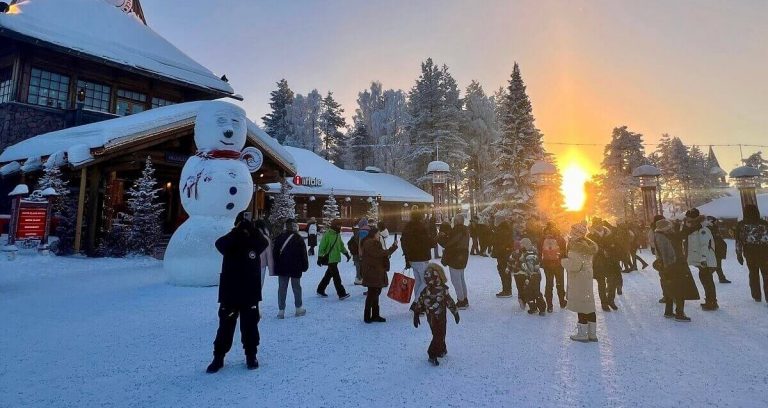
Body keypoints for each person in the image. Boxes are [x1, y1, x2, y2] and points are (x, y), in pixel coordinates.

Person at [206, 216, 268, 373]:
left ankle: (251, 355)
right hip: (231, 293)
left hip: (250, 293)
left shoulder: (254, 241)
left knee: (250, 327)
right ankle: (218, 357)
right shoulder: (230, 241)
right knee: (225, 327)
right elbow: (219, 244)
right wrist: (237, 231)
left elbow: (264, 243)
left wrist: (252, 229)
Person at [411, 263, 460, 366]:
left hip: (438, 316)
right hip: (434, 316)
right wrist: (416, 313)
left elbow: (449, 301)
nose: (428, 280)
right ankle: (432, 354)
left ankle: (442, 349)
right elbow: (420, 301)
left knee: (439, 333)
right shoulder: (428, 290)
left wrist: (455, 312)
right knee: (438, 334)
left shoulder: (440, 289)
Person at [654, 218, 699, 322]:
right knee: (679, 289)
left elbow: (678, 236)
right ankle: (679, 313)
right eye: (669, 227)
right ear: (665, 228)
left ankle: (668, 311)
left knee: (670, 288)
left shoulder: (661, 235)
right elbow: (669, 254)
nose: (671, 228)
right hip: (674, 267)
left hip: (668, 267)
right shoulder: (664, 237)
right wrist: (673, 265)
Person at [561, 223, 599, 342]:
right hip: (586, 277)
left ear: (577, 232)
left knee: (581, 306)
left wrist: (563, 261)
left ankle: (582, 334)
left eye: (573, 231)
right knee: (588, 305)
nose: (571, 232)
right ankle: (592, 334)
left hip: (578, 279)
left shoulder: (576, 246)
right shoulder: (587, 243)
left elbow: (575, 265)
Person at [683, 210, 719, 310]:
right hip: (702, 261)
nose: (687, 220)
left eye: (688, 218)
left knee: (707, 281)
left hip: (705, 260)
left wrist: (703, 259)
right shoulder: (694, 228)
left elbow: (705, 245)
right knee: (705, 280)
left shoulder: (702, 229)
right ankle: (709, 300)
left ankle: (712, 302)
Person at [361, 227, 399, 323]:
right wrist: (393, 248)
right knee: (372, 294)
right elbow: (380, 253)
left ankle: (375, 315)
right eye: (378, 234)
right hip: (373, 272)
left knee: (375, 293)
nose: (379, 235)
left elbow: (380, 254)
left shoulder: (370, 242)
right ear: (374, 234)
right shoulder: (371, 243)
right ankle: (367, 316)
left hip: (374, 270)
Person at [273, 219, 309, 319]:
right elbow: (303, 254)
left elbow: (275, 254)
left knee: (282, 288)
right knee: (296, 288)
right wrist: (305, 266)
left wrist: (277, 265)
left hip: (282, 267)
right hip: (295, 267)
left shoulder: (279, 238)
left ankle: (281, 310)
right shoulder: (298, 238)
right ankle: (298, 308)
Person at [735, 204, 768, 303]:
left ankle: (756, 296)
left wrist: (739, 255)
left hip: (750, 253)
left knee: (753, 274)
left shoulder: (741, 225)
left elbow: (738, 241)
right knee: (766, 275)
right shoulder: (765, 223)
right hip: (765, 253)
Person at [402, 206, 436, 300]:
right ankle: (417, 303)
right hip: (422, 257)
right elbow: (427, 241)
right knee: (424, 281)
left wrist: (407, 257)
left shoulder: (407, 227)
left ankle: (417, 303)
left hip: (412, 258)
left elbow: (404, 242)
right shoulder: (422, 227)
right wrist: (434, 241)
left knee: (418, 281)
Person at [588, 219, 621, 311]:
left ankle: (611, 300)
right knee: (601, 283)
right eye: (596, 224)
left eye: (600, 223)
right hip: (598, 263)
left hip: (611, 261)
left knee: (612, 282)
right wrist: (601, 251)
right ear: (593, 226)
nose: (599, 226)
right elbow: (590, 250)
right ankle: (604, 303)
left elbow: (616, 245)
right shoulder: (590, 236)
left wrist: (612, 249)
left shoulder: (609, 234)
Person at [316, 219, 351, 300]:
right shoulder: (328, 234)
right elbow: (322, 246)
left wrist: (346, 254)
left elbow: (341, 245)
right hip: (330, 259)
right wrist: (320, 257)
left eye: (340, 225)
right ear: (334, 225)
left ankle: (320, 289)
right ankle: (341, 293)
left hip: (335, 258)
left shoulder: (337, 234)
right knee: (336, 277)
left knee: (328, 275)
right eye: (338, 225)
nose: (340, 227)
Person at [442, 214, 470, 309]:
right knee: (461, 279)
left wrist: (442, 238)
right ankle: (465, 299)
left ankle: (461, 301)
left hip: (455, 257)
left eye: (454, 220)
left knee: (456, 280)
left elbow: (450, 243)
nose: (453, 222)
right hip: (463, 256)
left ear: (458, 221)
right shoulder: (466, 230)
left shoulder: (457, 230)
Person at [511, 238, 546, 316]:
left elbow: (533, 266)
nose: (521, 246)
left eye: (522, 244)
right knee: (530, 292)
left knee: (535, 292)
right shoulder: (527, 252)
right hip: (532, 276)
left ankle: (541, 308)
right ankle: (534, 308)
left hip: (533, 276)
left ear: (526, 245)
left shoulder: (530, 253)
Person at [539, 222, 567, 312]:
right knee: (560, 283)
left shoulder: (542, 238)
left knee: (549, 284)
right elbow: (564, 251)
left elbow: (539, 251)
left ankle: (549, 305)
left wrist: (541, 263)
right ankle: (562, 302)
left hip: (547, 264)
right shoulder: (559, 238)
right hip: (558, 264)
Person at [492, 217, 515, 298]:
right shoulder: (505, 229)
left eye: (496, 220)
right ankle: (507, 289)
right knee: (505, 271)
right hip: (504, 254)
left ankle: (507, 290)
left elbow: (499, 243)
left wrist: (497, 252)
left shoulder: (502, 230)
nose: (495, 222)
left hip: (503, 254)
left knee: (504, 271)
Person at [706, 216, 731, 284]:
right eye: (715, 221)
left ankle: (721, 278)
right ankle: (708, 277)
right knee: (716, 265)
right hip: (713, 250)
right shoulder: (708, 229)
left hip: (718, 249)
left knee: (718, 265)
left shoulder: (714, 228)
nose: (716, 222)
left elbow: (718, 238)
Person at [254, 219, 274, 292]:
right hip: (262, 264)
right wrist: (271, 270)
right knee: (259, 283)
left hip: (250, 262)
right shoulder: (266, 238)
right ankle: (256, 299)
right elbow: (269, 255)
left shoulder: (250, 235)